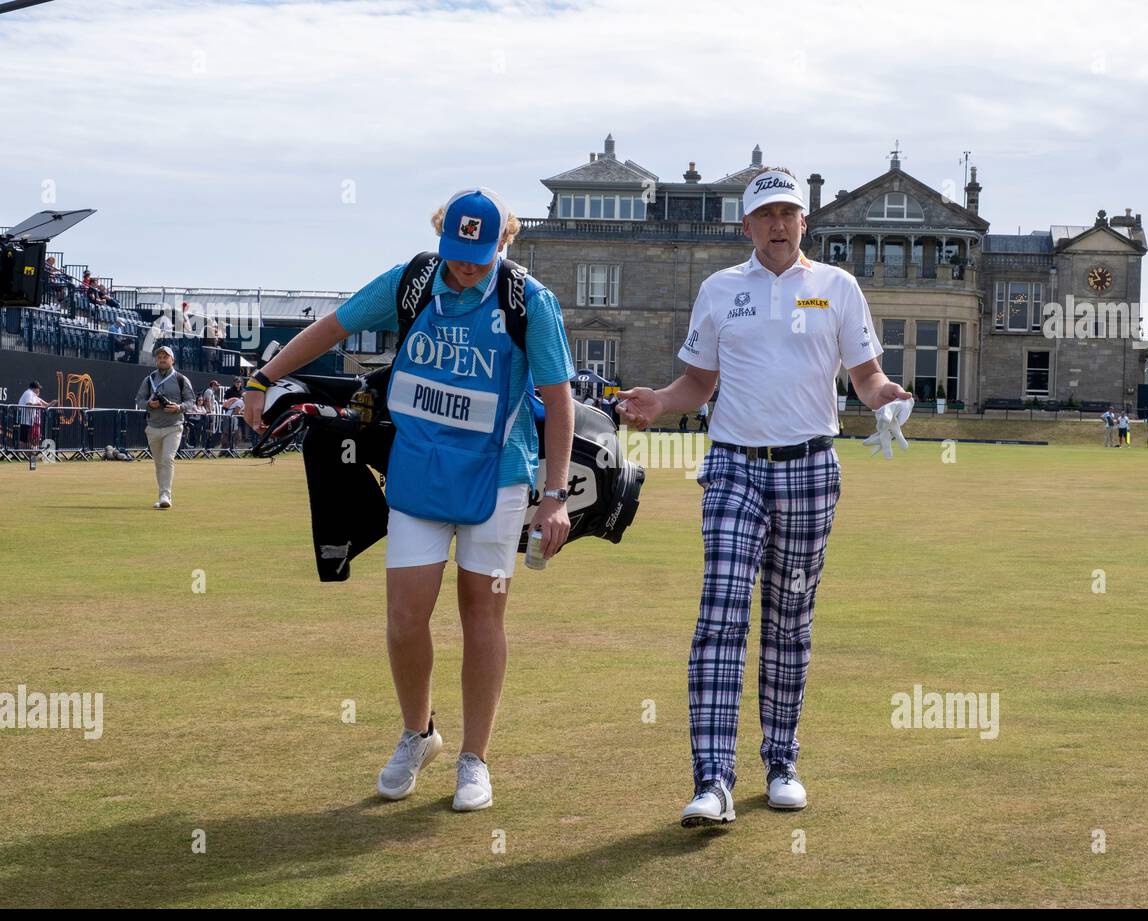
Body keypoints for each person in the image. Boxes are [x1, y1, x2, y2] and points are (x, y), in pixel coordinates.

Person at [242, 188, 576, 812]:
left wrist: (553, 496)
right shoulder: (413, 280)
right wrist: (264, 377)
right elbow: (332, 326)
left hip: (500, 478)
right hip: (418, 473)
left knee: (484, 616)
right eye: (457, 251)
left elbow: (558, 403)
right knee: (403, 619)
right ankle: (418, 733)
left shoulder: (530, 301)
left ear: (504, 241)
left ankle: (474, 759)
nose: (466, 265)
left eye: (479, 253)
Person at [617, 167, 909, 827]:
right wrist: (659, 402)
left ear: (804, 222)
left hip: (810, 468)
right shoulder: (720, 290)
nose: (779, 225)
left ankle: (781, 762)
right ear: (746, 225)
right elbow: (696, 382)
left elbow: (866, 377)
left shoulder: (838, 288)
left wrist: (885, 395)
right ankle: (713, 781)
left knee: (789, 620)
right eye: (766, 214)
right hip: (733, 467)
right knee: (720, 614)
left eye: (789, 213)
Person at [134, 345, 195, 508]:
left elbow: (191, 401)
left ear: (172, 360)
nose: (162, 359)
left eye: (165, 356)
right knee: (159, 463)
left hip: (173, 426)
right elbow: (139, 400)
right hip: (153, 427)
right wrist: (149, 404)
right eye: (159, 356)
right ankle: (162, 494)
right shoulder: (149, 379)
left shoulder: (181, 379)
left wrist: (179, 407)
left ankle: (166, 496)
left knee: (168, 459)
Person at [16, 381, 50, 451]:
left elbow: (46, 405)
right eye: (38, 388)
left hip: (29, 420)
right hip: (24, 419)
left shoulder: (33, 395)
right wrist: (37, 405)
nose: (39, 390)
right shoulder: (28, 393)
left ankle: (26, 453)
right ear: (34, 388)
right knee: (23, 438)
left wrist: (54, 402)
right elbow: (28, 404)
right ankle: (21, 454)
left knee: (27, 438)